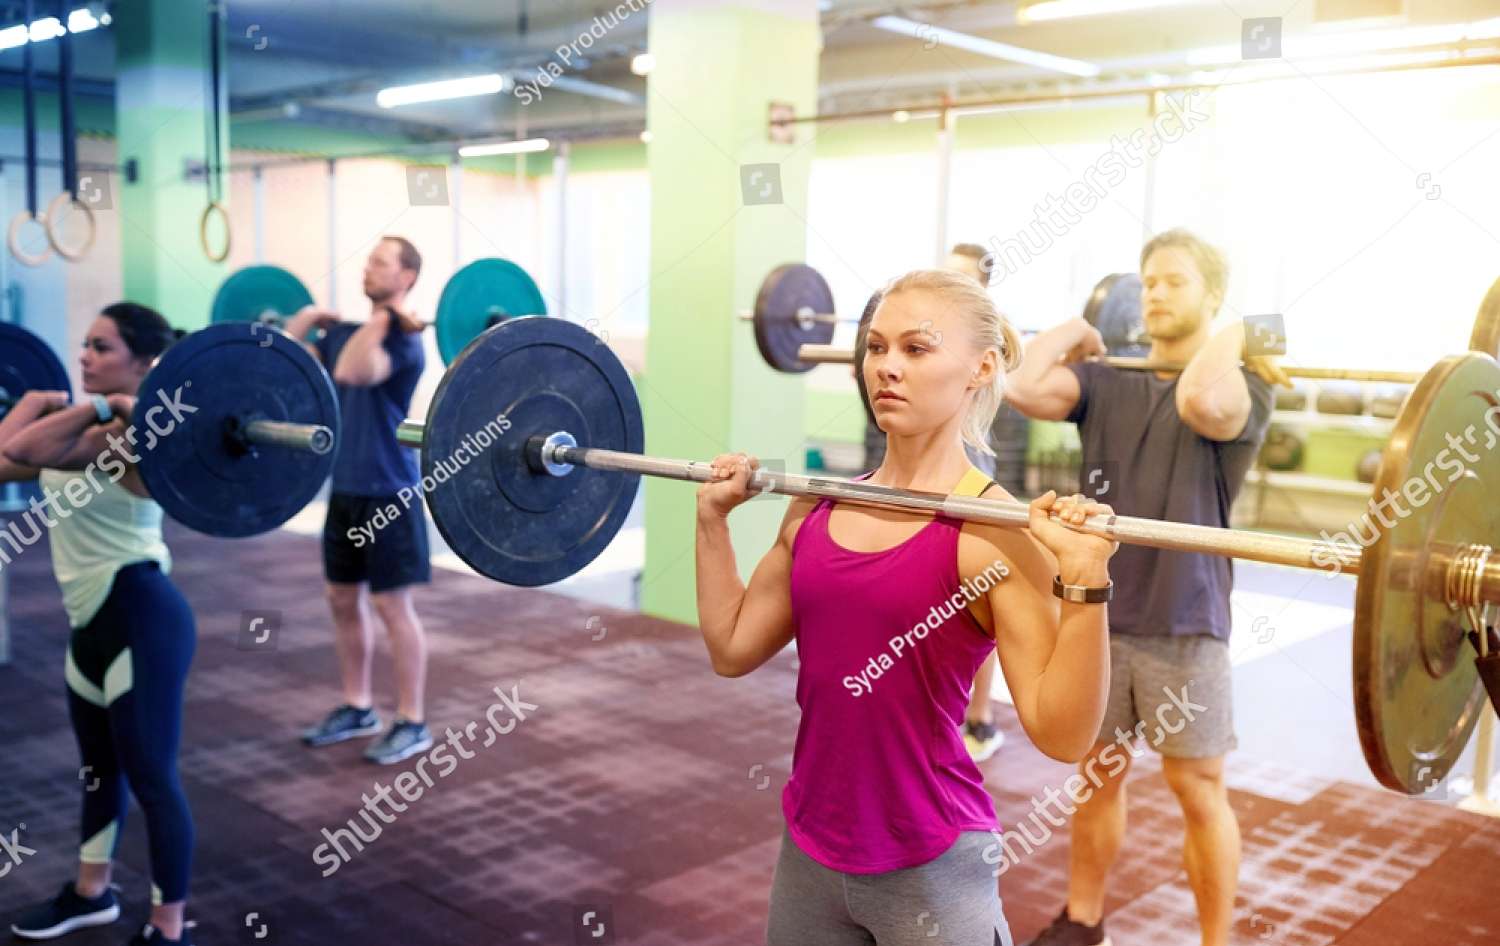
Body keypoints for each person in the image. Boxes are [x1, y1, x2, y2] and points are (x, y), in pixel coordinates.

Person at [696, 269, 1119, 946]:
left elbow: (1063, 736)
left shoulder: (994, 532)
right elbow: (732, 647)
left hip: (932, 863)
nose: (887, 368)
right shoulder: (815, 506)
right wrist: (712, 524)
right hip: (809, 848)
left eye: (917, 349)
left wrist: (1085, 580)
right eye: (876, 347)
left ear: (981, 369)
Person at [1005, 229, 1284, 946]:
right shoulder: (1109, 380)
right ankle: (1084, 917)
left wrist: (1241, 333)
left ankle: (1217, 940)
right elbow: (1024, 384)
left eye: (1173, 281)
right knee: (1097, 777)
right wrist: (1081, 326)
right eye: (1147, 281)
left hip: (1185, 622)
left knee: (1198, 790)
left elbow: (1200, 402)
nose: (1154, 293)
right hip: (1098, 613)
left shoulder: (1243, 387)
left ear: (1213, 298)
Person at [1, 305, 197, 945]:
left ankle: (168, 931)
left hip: (141, 614)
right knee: (98, 770)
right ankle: (91, 893)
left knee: (153, 779)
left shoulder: (131, 439)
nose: (84, 355)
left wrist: (96, 406)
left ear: (141, 364)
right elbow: (4, 459)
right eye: (83, 344)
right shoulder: (88, 428)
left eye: (101, 347)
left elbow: (24, 447)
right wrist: (37, 394)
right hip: (90, 619)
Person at [288, 236, 434, 766]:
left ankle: (413, 720)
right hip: (346, 489)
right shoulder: (351, 332)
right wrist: (305, 318)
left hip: (390, 492)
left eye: (381, 263)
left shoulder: (403, 342)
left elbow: (352, 372)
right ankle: (357, 705)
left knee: (392, 605)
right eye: (368, 260)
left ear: (407, 277)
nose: (368, 268)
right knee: (341, 598)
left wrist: (387, 318)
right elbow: (290, 365)